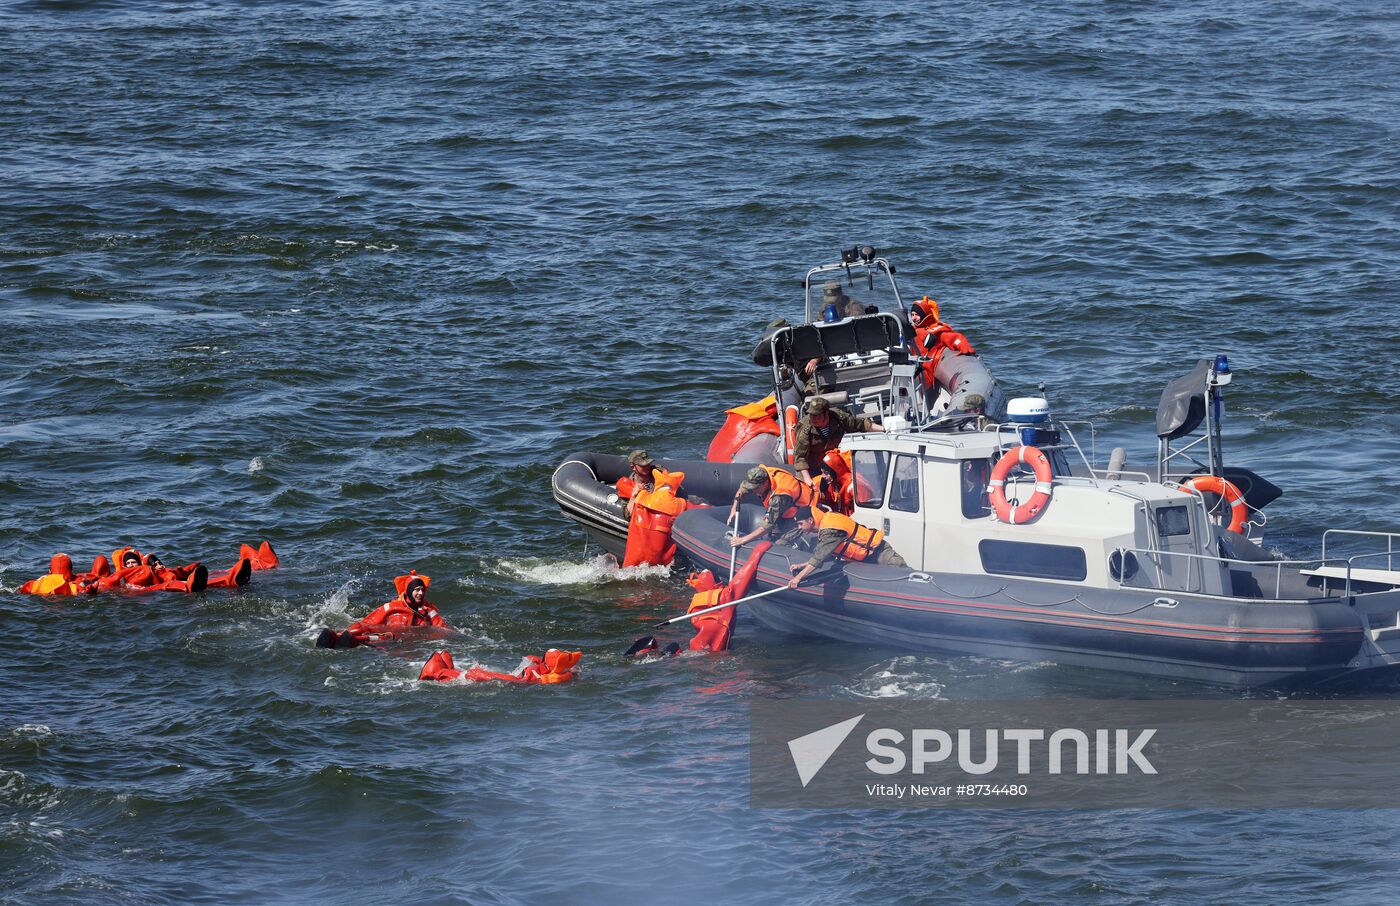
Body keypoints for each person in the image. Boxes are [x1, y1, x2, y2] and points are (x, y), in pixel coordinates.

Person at [316, 570, 450, 649]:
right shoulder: (392, 607)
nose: (420, 593)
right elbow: (367, 622)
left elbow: (443, 629)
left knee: (385, 637)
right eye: (416, 590)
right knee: (367, 630)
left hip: (396, 642)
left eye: (422, 590)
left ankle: (349, 640)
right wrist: (350, 630)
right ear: (408, 591)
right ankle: (336, 637)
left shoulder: (428, 611)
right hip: (384, 636)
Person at [786, 505, 907, 588]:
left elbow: (819, 558)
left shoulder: (829, 529)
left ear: (810, 520)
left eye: (800, 524)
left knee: (905, 577)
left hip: (879, 553)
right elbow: (825, 554)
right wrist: (802, 565)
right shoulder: (827, 520)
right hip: (866, 559)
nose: (799, 528)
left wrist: (798, 579)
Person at [791, 396, 883, 483]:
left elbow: (861, 424)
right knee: (807, 492)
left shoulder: (838, 417)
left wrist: (883, 429)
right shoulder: (805, 429)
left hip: (833, 463)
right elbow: (800, 458)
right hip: (811, 469)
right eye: (811, 415)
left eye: (816, 415)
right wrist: (808, 480)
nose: (813, 418)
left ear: (826, 413)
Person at [728, 465, 816, 548]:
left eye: (756, 488)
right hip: (786, 508)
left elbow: (767, 526)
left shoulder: (779, 496)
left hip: (803, 511)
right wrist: (734, 509)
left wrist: (743, 540)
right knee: (769, 536)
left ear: (765, 483)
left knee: (780, 543)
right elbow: (742, 489)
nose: (753, 491)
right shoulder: (761, 473)